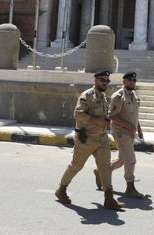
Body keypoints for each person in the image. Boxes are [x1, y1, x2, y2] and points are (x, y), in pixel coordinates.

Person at [55, 70, 124, 210]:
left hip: (102, 138)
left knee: (105, 168)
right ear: (95, 80)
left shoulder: (104, 97)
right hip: (86, 138)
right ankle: (61, 189)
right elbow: (78, 114)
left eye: (107, 81)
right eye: (102, 80)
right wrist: (98, 121)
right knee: (76, 166)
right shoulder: (87, 96)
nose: (104, 83)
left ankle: (109, 198)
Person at [96, 71, 146, 199]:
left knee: (122, 159)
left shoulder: (134, 95)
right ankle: (130, 187)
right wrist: (129, 126)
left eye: (134, 80)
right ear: (124, 81)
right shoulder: (118, 96)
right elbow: (112, 116)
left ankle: (101, 171)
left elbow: (134, 114)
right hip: (121, 132)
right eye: (129, 80)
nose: (132, 82)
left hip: (130, 132)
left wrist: (138, 128)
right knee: (131, 160)